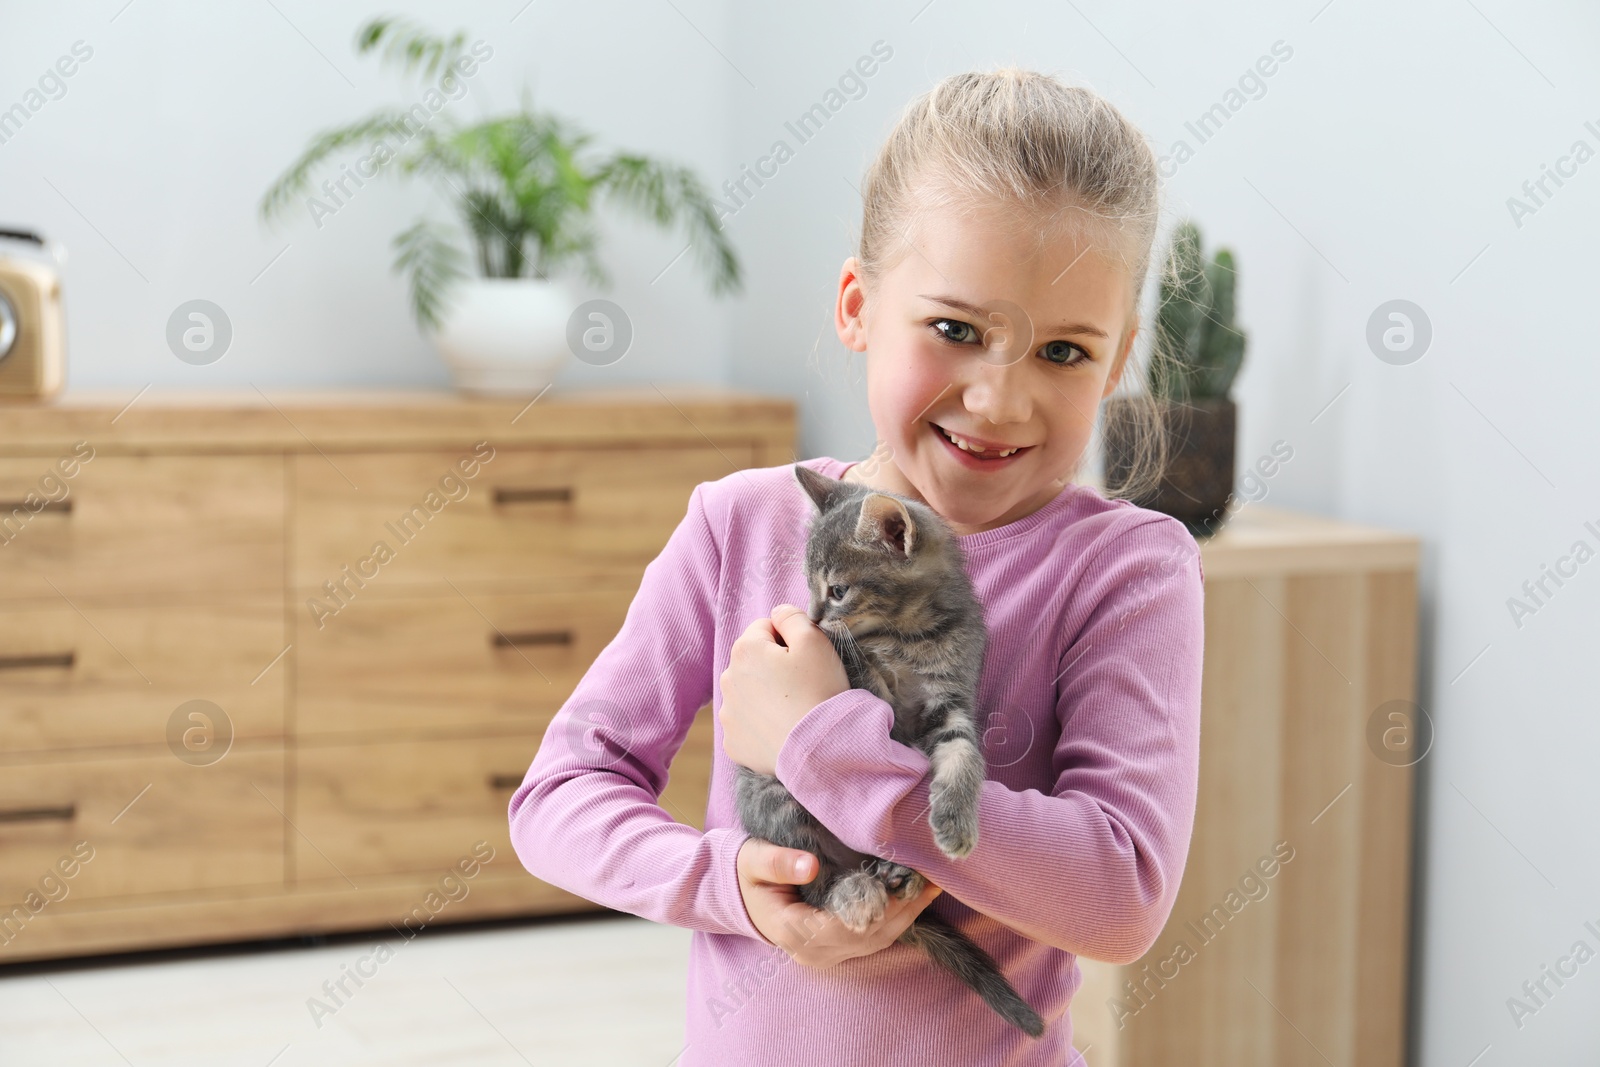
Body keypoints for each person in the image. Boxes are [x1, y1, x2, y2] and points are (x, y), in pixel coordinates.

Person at [509, 67, 1205, 1065]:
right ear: (857, 305)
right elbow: (561, 791)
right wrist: (726, 879)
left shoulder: (1126, 569)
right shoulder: (735, 524)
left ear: (1119, 357)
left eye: (1063, 352)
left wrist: (826, 744)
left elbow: (1121, 890)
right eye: (955, 330)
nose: (999, 399)